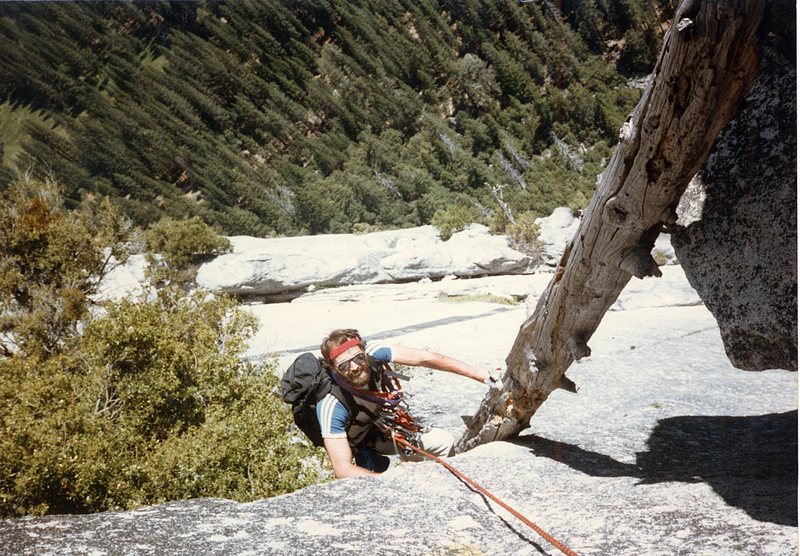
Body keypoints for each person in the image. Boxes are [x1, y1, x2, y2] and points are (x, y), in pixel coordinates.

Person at [317, 328, 499, 478]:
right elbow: (343, 470)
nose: (355, 367)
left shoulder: (374, 352)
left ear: (364, 351)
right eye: (343, 366)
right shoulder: (332, 404)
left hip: (383, 427)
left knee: (443, 442)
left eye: (358, 358)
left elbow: (426, 358)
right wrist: (394, 480)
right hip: (362, 442)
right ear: (333, 368)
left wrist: (479, 374)